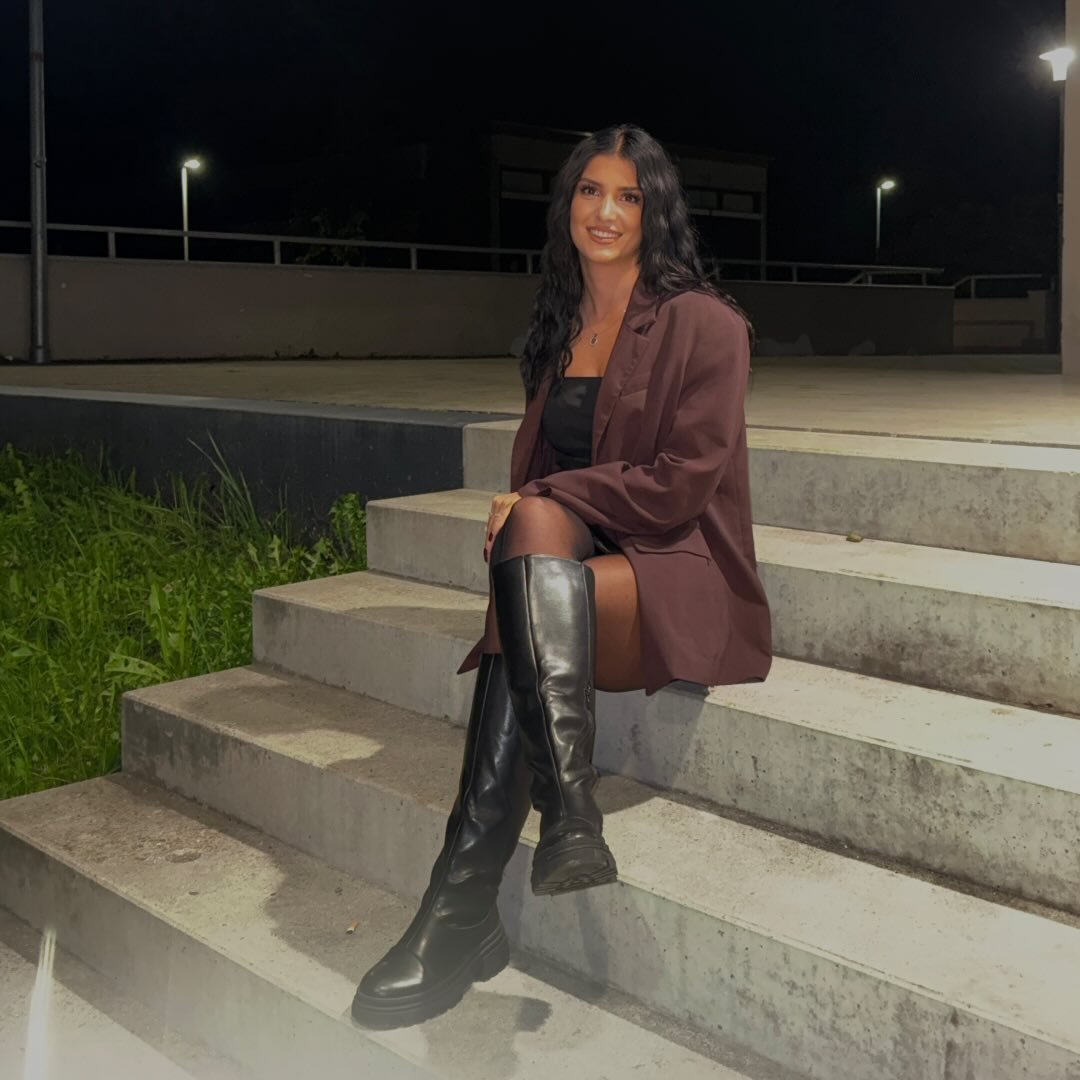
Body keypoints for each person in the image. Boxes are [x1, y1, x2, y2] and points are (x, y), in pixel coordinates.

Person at [351, 123, 772, 1030]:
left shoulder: (706, 323)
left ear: (656, 212)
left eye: (628, 195)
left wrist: (541, 499)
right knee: (533, 548)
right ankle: (568, 816)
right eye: (590, 191)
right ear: (567, 206)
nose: (606, 211)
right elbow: (542, 499)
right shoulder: (557, 331)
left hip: (682, 567)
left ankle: (461, 903)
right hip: (577, 567)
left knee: (530, 563)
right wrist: (538, 505)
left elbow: (678, 487)